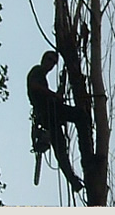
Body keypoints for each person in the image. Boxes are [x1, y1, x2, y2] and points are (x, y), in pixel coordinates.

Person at [27, 50, 88, 192]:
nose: (51, 64)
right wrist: (54, 94)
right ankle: (73, 179)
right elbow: (34, 87)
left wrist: (60, 89)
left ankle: (75, 179)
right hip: (48, 113)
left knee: (61, 149)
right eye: (49, 60)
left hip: (52, 113)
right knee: (79, 117)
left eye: (54, 63)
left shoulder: (42, 78)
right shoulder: (36, 71)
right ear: (43, 59)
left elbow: (47, 94)